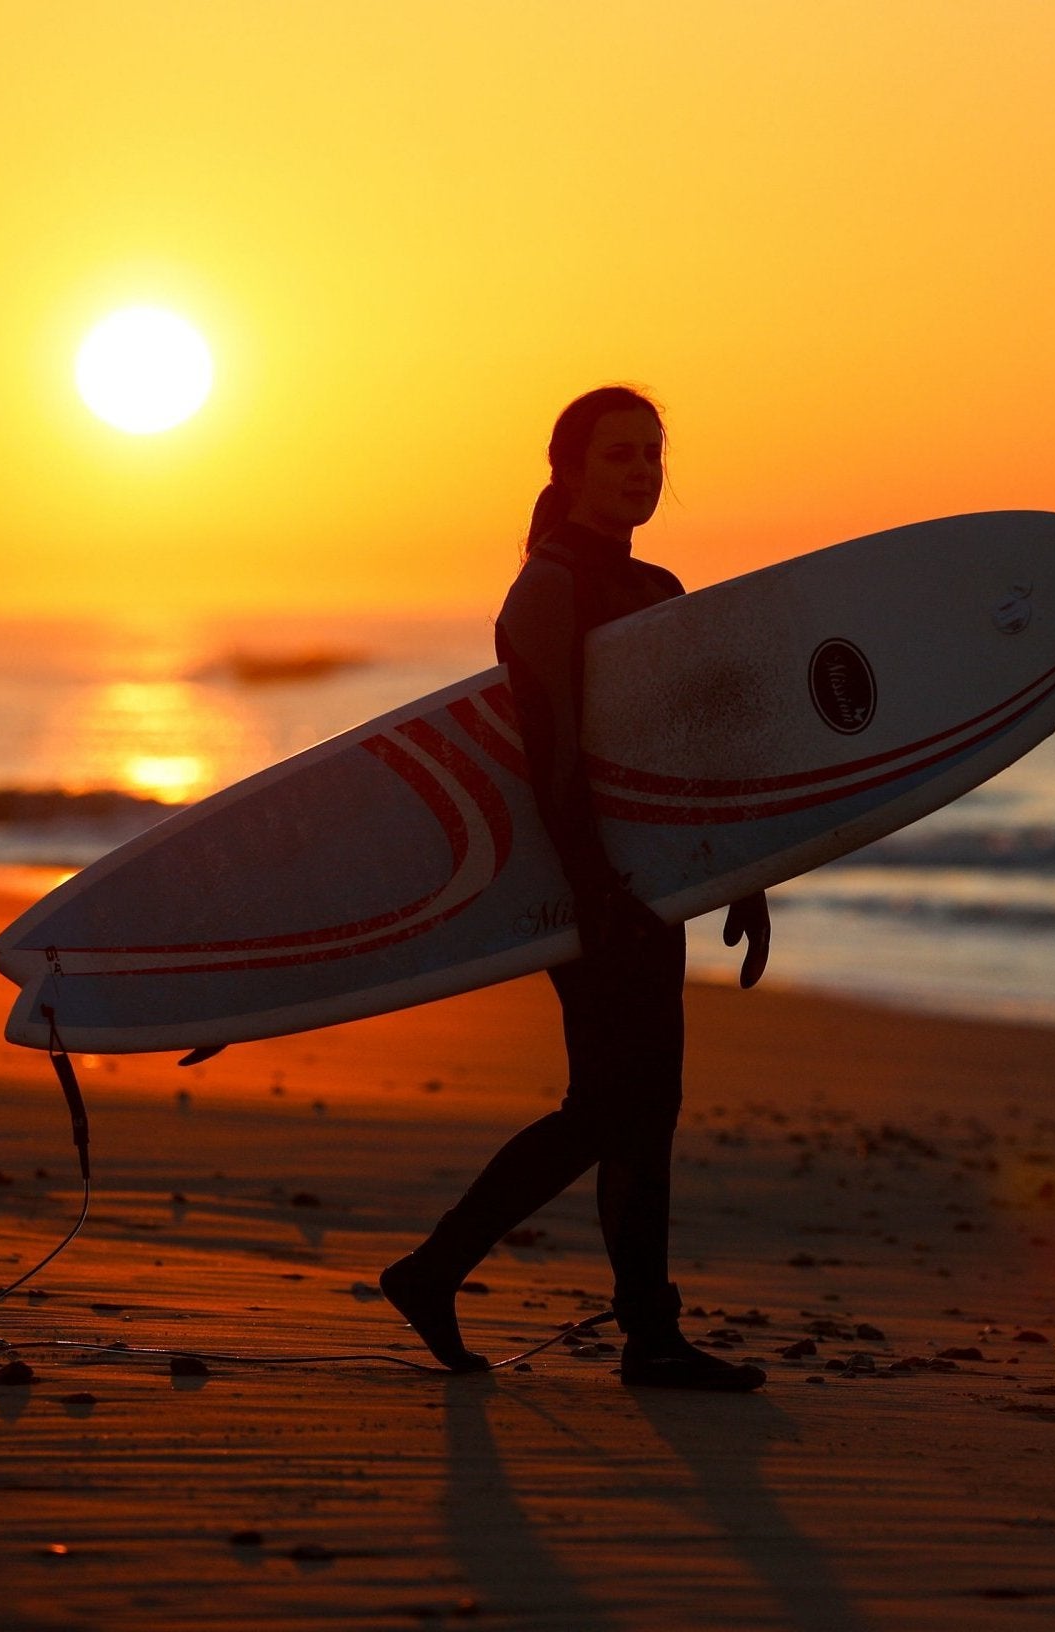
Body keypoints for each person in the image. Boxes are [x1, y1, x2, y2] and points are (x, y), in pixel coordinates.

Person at [381, 386, 771, 1391]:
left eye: (652, 454)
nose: (641, 471)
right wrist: (593, 892)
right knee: (610, 1108)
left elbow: (689, 759)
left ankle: (642, 1332)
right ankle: (447, 1275)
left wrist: (743, 871)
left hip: (653, 885)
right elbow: (552, 758)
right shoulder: (548, 590)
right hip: (585, 885)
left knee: (643, 1107)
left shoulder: (657, 588)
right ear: (567, 470)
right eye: (618, 455)